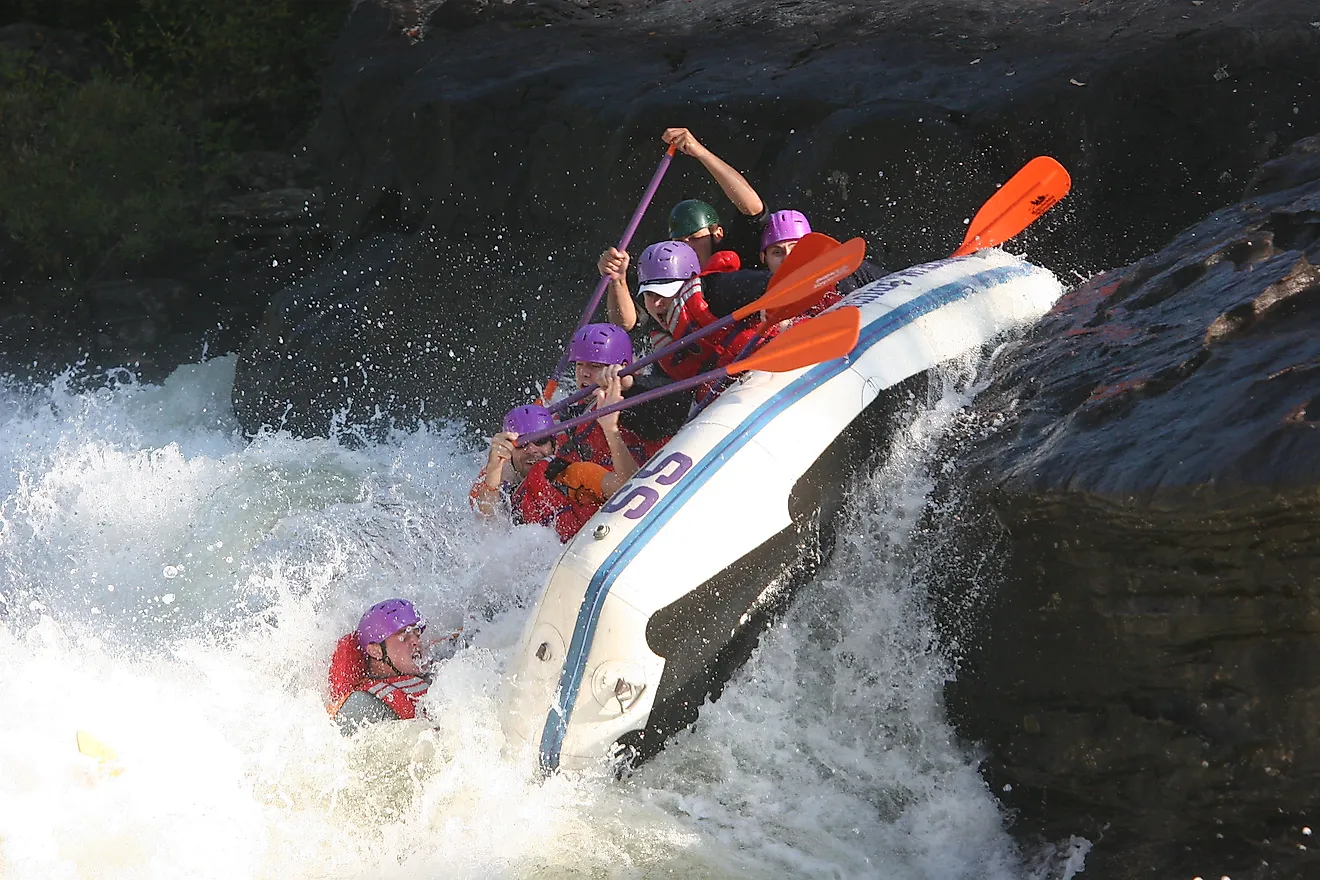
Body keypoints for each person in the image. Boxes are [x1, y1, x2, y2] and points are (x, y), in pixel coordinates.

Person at [513, 324, 677, 542]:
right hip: (566, 516)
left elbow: (673, 405)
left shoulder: (638, 402)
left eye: (594, 365)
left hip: (614, 504)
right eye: (580, 364)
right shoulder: (575, 412)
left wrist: (628, 387)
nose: (584, 373)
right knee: (535, 474)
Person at [606, 240, 770, 382]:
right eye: (649, 294)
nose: (657, 304)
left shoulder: (717, 290)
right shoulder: (663, 344)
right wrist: (630, 385)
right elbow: (670, 395)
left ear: (689, 283)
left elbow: (770, 282)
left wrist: (769, 301)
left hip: (767, 363)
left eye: (665, 293)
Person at [327, 599, 456, 734]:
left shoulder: (440, 663)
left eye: (416, 634)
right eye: (404, 637)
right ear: (376, 651)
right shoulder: (362, 705)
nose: (416, 642)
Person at [469, 404, 559, 518]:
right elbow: (487, 525)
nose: (531, 450)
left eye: (540, 440)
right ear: (509, 451)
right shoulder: (500, 475)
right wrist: (493, 471)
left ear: (554, 446)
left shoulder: (569, 464)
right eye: (522, 443)